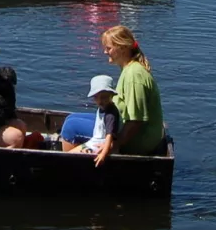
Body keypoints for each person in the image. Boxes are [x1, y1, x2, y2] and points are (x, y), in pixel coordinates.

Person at [94, 25, 165, 166]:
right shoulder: (129, 69)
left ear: (123, 48)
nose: (105, 52)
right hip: (120, 125)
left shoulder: (134, 76)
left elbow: (135, 121)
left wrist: (114, 145)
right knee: (74, 120)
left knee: (71, 127)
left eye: (108, 48)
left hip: (139, 142)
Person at [59, 74, 120, 155]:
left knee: (69, 155)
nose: (100, 101)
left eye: (104, 97)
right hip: (95, 140)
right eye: (96, 97)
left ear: (111, 95)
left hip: (100, 144)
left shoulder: (110, 114)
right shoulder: (103, 107)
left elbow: (109, 135)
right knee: (70, 118)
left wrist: (104, 153)